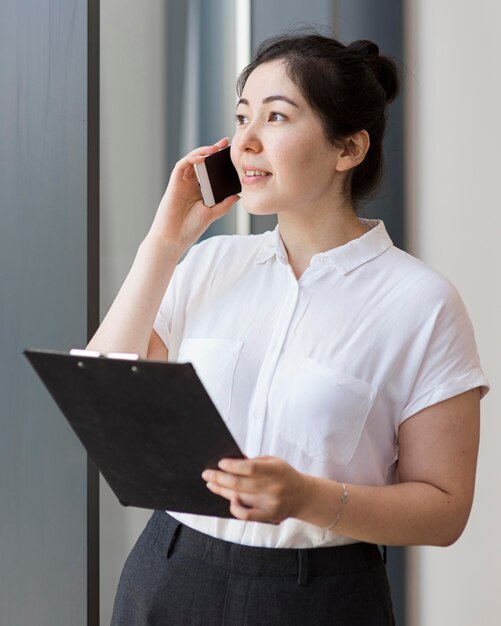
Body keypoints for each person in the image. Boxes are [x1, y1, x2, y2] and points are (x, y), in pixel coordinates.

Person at [89, 32, 489, 625]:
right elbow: (103, 386)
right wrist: (164, 243)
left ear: (348, 148)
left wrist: (310, 498)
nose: (244, 142)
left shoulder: (422, 303)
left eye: (276, 116)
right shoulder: (208, 264)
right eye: (241, 115)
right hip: (169, 570)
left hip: (319, 594)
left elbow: (444, 510)